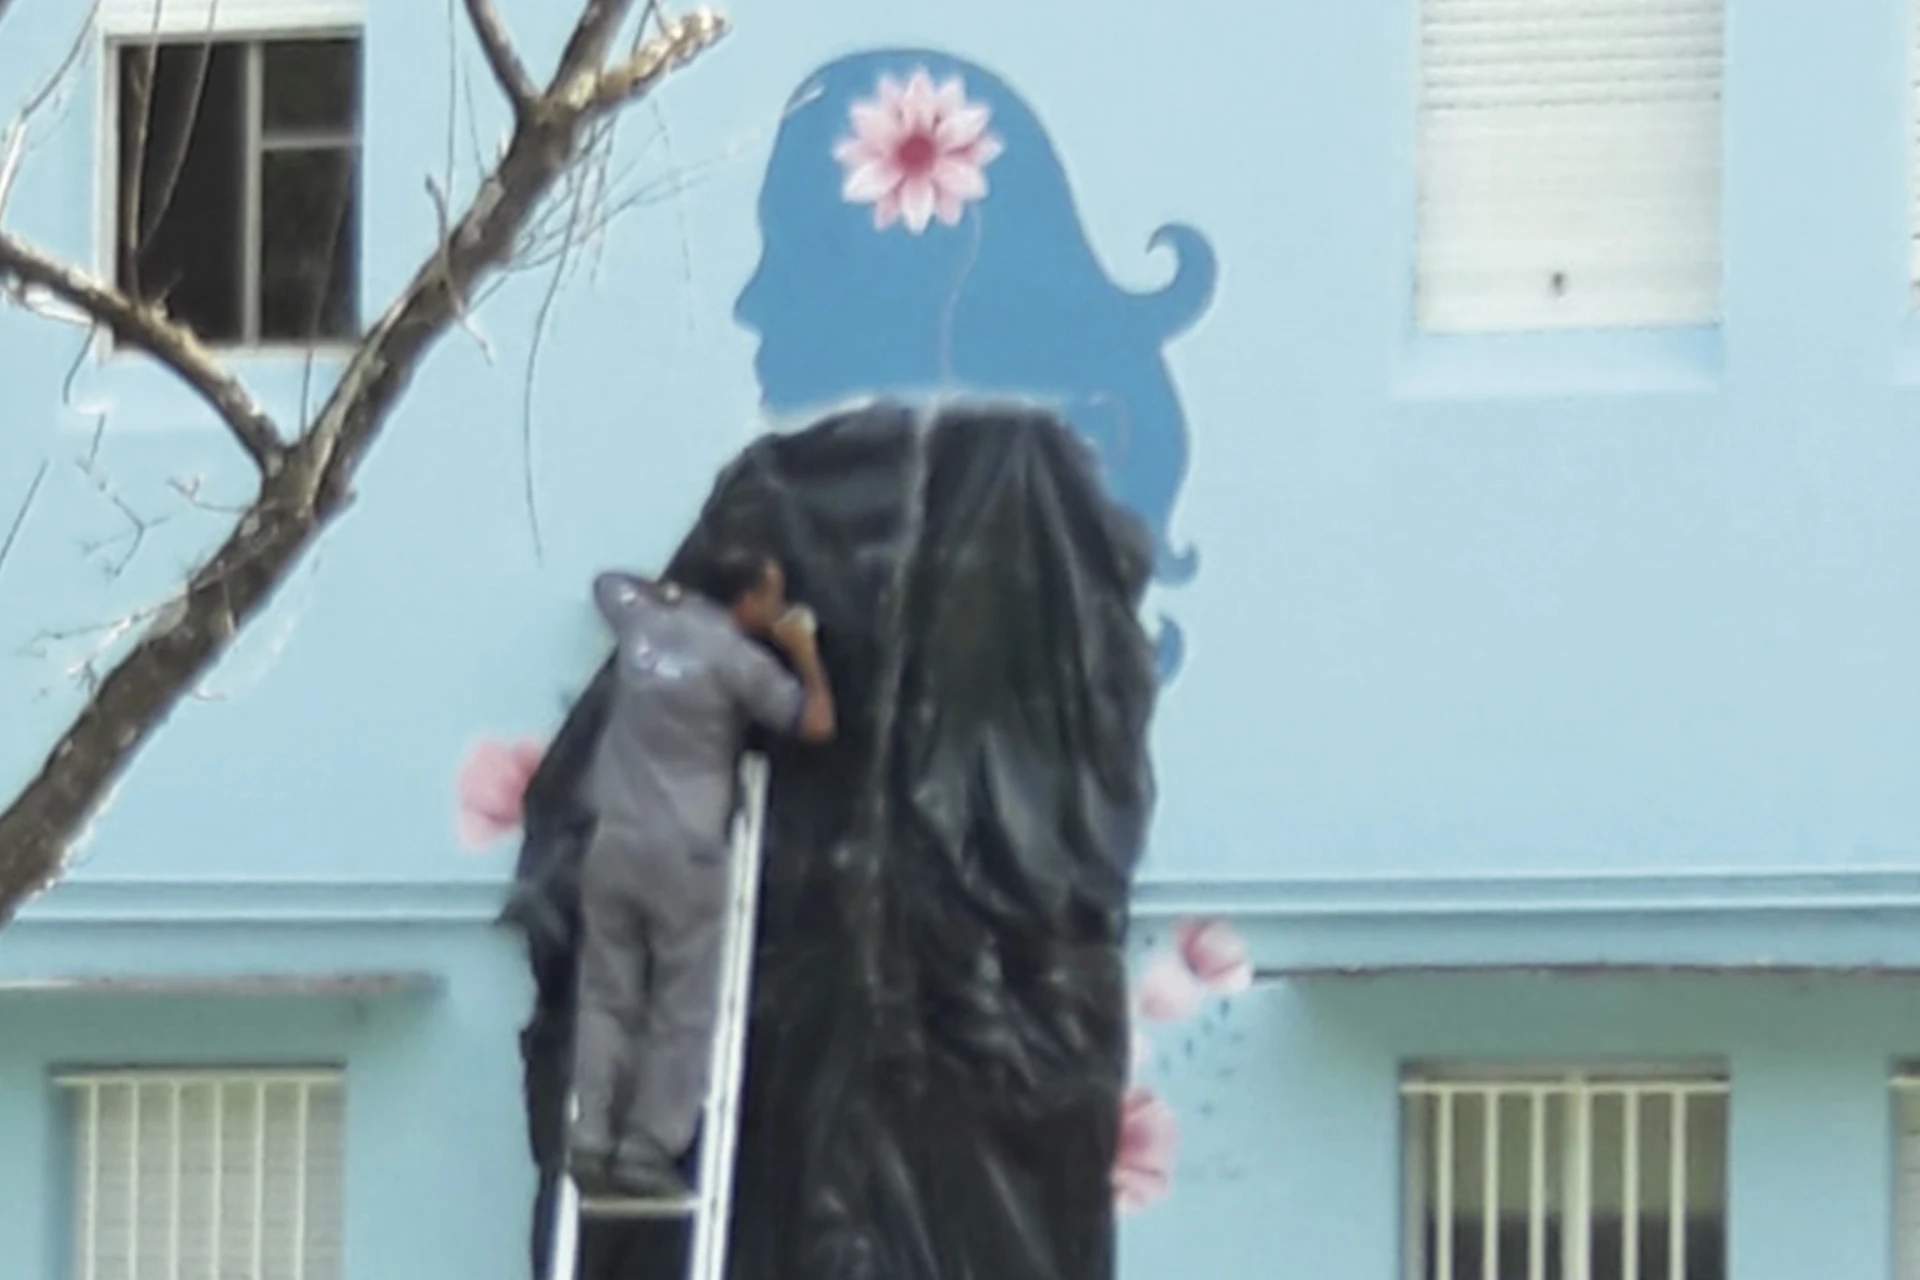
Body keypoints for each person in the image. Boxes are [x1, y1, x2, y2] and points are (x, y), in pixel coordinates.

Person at [568, 545, 836, 1201]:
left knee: (606, 997)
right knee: (680, 1007)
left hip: (614, 841)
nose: (777, 607)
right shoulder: (739, 663)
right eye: (771, 596)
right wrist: (803, 651)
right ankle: (647, 1150)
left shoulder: (644, 625)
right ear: (747, 601)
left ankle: (591, 1135)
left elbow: (608, 583)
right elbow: (817, 723)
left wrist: (672, 598)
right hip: (684, 854)